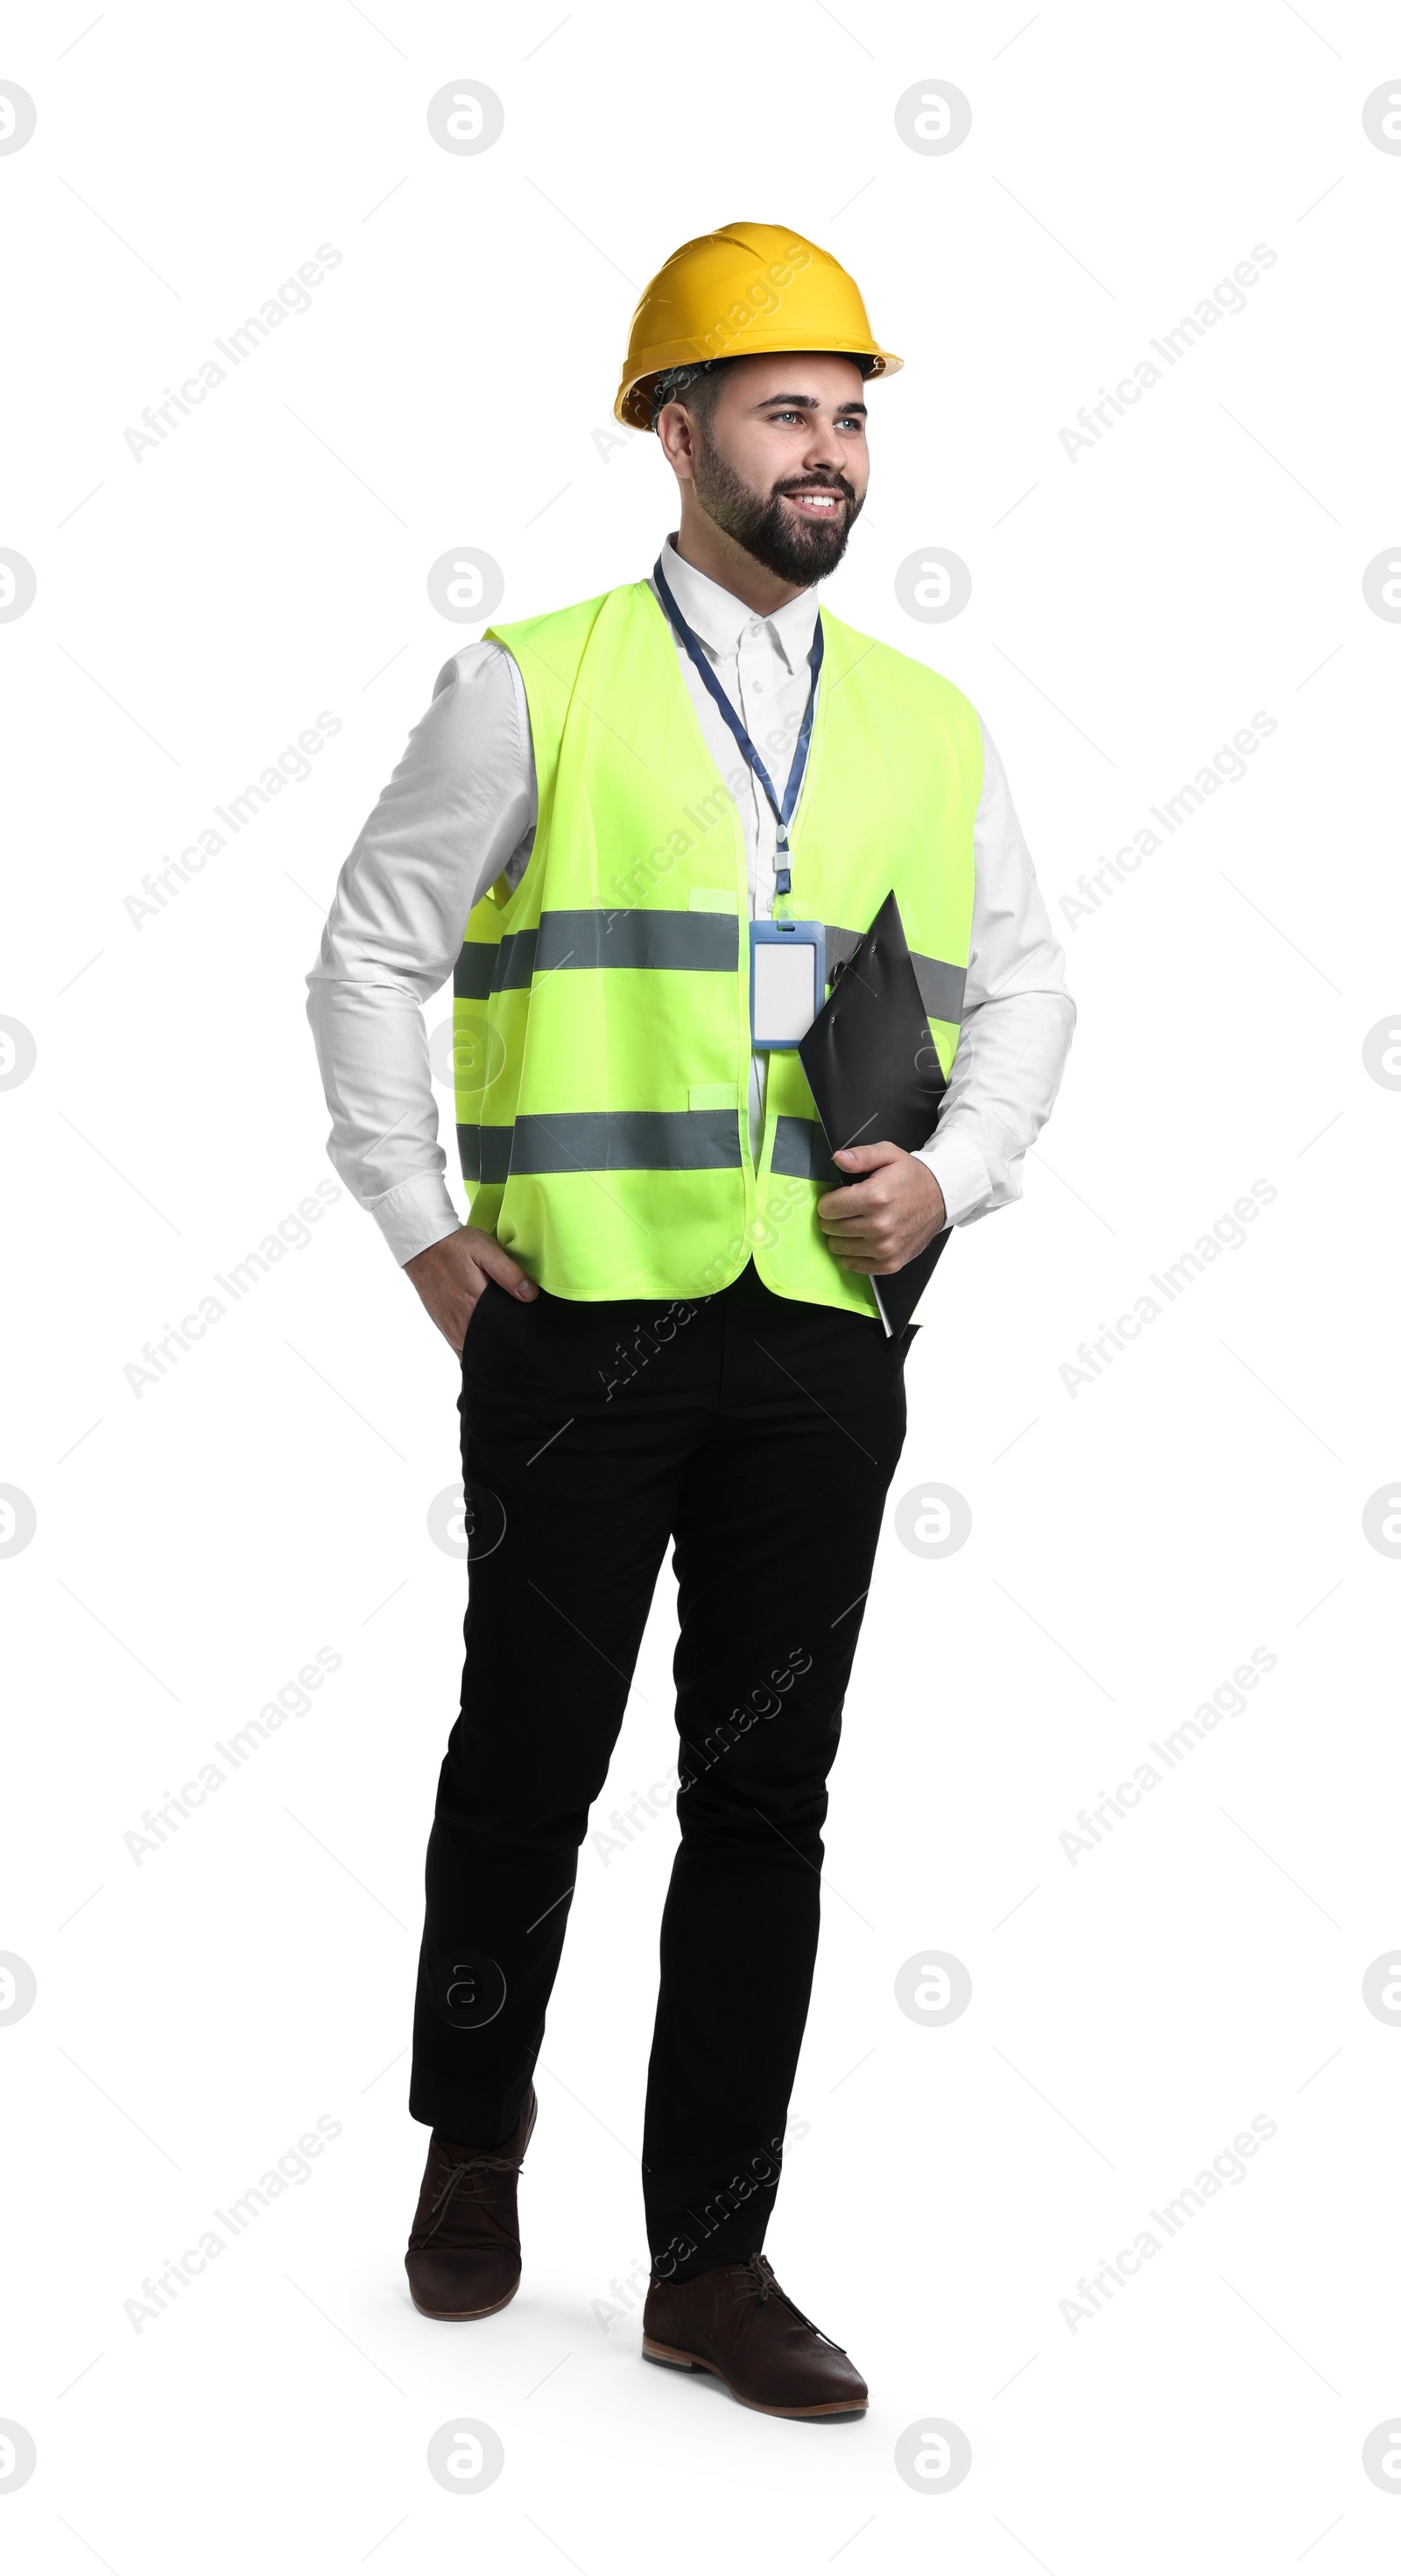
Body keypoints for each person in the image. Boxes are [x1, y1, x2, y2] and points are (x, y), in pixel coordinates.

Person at [306, 221, 1075, 2421]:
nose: (828, 453)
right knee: (525, 1766)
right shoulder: (525, 678)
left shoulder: (926, 723)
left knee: (767, 1798)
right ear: (674, 435)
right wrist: (420, 1228)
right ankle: (473, 2147)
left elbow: (1025, 984)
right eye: (781, 411)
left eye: (849, 416)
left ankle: (707, 2260)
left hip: (827, 1333)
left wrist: (957, 1173)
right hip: (569, 1327)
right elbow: (368, 950)